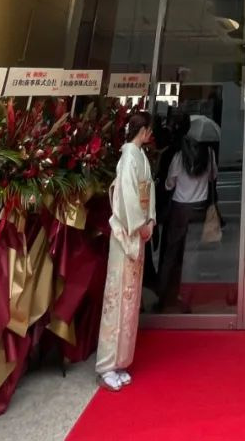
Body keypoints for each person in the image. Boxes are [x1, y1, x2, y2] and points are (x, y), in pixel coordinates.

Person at [96, 110, 155, 392]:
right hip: (126, 234)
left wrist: (149, 220)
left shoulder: (138, 156)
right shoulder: (129, 157)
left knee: (128, 301)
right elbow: (127, 198)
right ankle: (107, 364)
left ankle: (120, 361)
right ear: (143, 131)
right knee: (117, 298)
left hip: (137, 231)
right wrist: (141, 224)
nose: (150, 135)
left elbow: (146, 193)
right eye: (149, 130)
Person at [155, 129, 217, 312]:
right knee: (192, 254)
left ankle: (163, 296)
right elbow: (213, 177)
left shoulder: (179, 157)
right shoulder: (209, 154)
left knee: (171, 253)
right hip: (199, 208)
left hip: (180, 207)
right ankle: (186, 297)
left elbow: (169, 183)